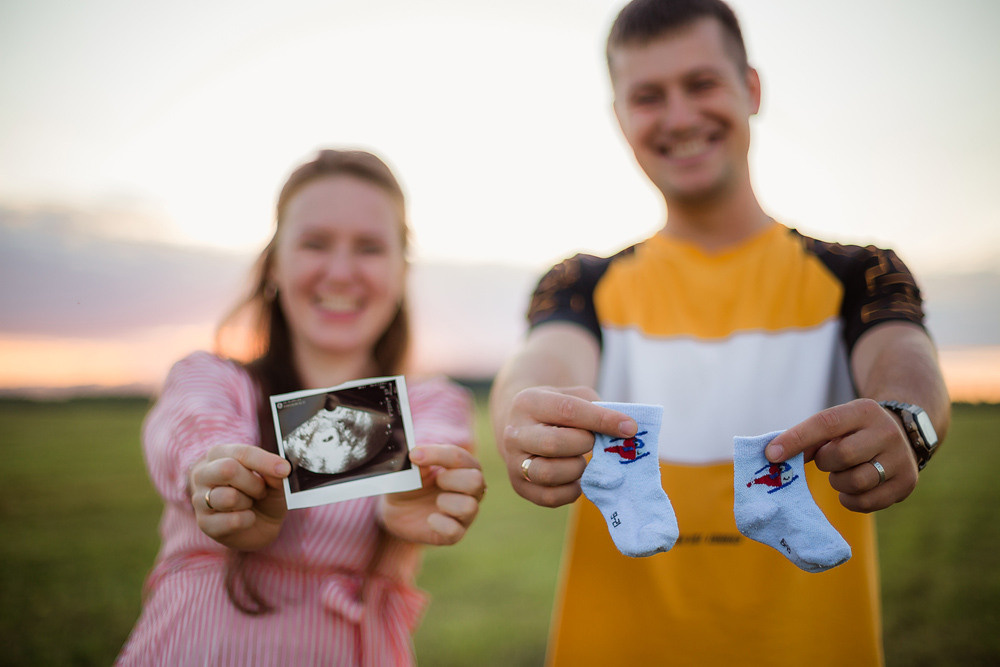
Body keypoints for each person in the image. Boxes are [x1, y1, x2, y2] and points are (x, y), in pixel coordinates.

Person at [489, 1, 950, 664]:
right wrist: (520, 414)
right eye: (648, 96)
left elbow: (907, 361)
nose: (678, 116)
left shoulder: (860, 272)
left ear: (752, 89)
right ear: (620, 118)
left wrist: (907, 421)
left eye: (701, 84)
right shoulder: (580, 282)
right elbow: (539, 361)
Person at [117, 149, 486, 666]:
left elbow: (433, 454)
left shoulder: (431, 403)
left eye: (370, 248)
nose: (340, 273)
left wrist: (412, 492)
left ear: (403, 272)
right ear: (273, 263)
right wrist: (222, 483)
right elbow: (193, 447)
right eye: (315, 243)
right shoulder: (214, 382)